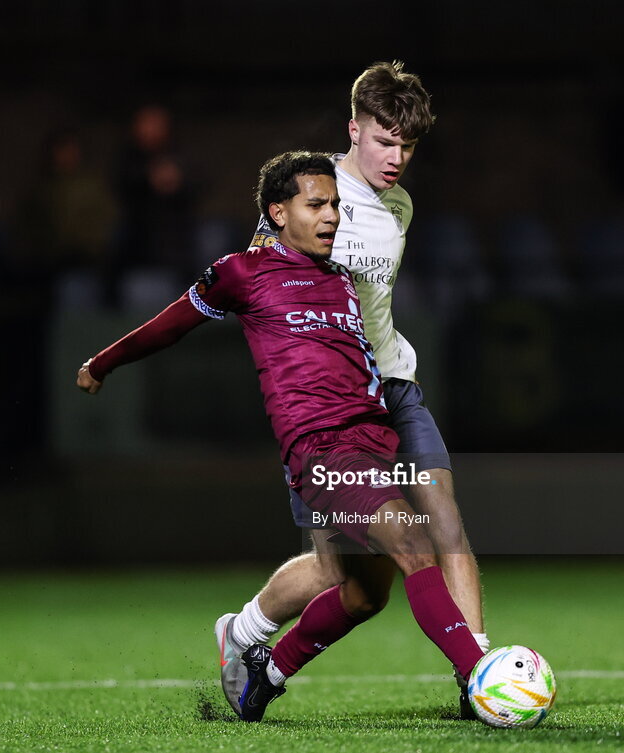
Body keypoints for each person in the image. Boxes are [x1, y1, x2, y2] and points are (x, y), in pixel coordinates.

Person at [77, 151, 484, 722]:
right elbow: (170, 324)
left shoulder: (341, 278)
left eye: (336, 205)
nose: (332, 216)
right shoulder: (242, 272)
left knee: (365, 593)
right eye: (316, 204)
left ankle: (262, 673)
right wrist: (103, 362)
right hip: (320, 447)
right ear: (278, 211)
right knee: (415, 546)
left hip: (374, 442)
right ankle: (480, 678)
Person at [218, 61, 488, 719]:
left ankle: (478, 674)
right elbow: (260, 283)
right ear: (353, 128)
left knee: (443, 514)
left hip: (394, 384)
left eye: (407, 147)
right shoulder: (312, 195)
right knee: (350, 583)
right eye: (384, 140)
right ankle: (247, 635)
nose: (396, 158)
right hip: (332, 409)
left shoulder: (400, 204)